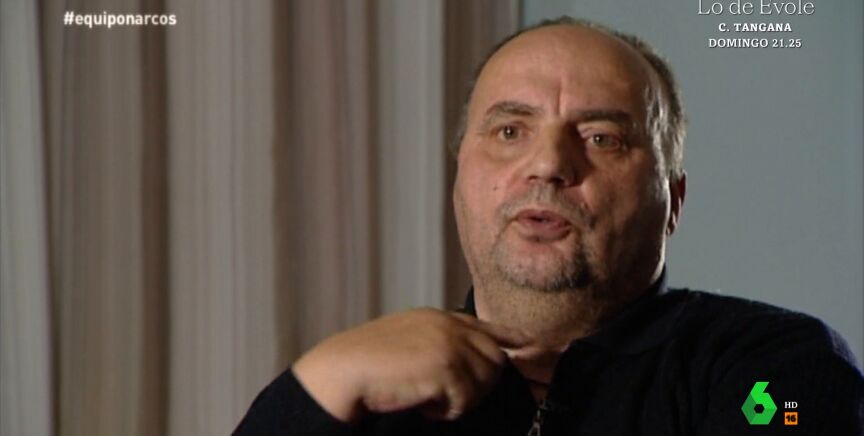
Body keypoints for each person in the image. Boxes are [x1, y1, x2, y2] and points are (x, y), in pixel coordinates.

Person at [234, 16, 863, 435]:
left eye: (601, 137)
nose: (548, 165)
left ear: (672, 200)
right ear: (460, 178)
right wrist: (318, 389)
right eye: (510, 131)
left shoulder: (776, 372)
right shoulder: (361, 397)